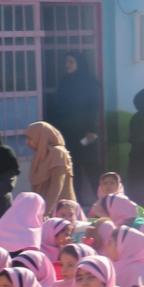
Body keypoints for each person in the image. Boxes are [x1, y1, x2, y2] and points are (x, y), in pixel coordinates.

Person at [45, 53, 103, 204]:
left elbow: (93, 108)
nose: (67, 64)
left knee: (92, 169)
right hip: (68, 133)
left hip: (86, 134)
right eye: (66, 61)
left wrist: (91, 129)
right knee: (72, 169)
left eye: (71, 61)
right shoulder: (65, 82)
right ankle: (75, 204)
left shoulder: (90, 83)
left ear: (80, 63)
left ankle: (104, 202)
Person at [24, 122, 76, 213]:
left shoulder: (58, 153)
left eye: (30, 138)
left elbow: (56, 185)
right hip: (44, 210)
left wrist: (46, 212)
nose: (27, 142)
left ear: (41, 137)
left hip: (62, 212)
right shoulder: (40, 156)